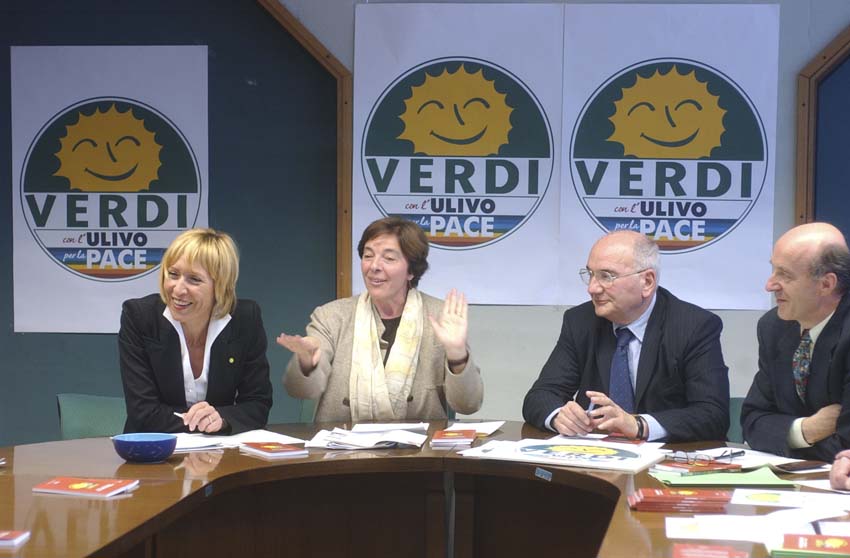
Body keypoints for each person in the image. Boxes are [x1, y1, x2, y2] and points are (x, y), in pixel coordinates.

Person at [523, 230, 729, 442]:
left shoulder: (694, 327)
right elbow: (540, 396)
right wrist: (559, 416)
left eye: (606, 276)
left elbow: (713, 414)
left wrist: (638, 424)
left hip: (667, 455)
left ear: (647, 282)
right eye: (590, 274)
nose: (592, 288)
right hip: (594, 453)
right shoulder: (580, 322)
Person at [277, 216, 483, 422]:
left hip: (420, 443)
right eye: (368, 256)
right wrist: (307, 362)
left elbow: (468, 405)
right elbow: (299, 391)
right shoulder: (331, 316)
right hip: (343, 441)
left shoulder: (439, 317)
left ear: (411, 271)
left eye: (389, 258)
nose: (374, 266)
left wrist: (457, 355)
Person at [119, 228, 273, 435]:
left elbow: (258, 404)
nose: (178, 289)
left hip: (222, 450)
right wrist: (205, 422)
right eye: (173, 274)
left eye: (194, 279)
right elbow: (143, 412)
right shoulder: (140, 317)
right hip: (155, 448)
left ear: (220, 286)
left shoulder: (245, 319)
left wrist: (221, 419)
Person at [741, 222, 850, 460]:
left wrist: (779, 437)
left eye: (785, 275)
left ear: (826, 284)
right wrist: (805, 430)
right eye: (773, 270)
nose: (769, 285)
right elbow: (752, 422)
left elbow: (846, 446)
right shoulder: (774, 327)